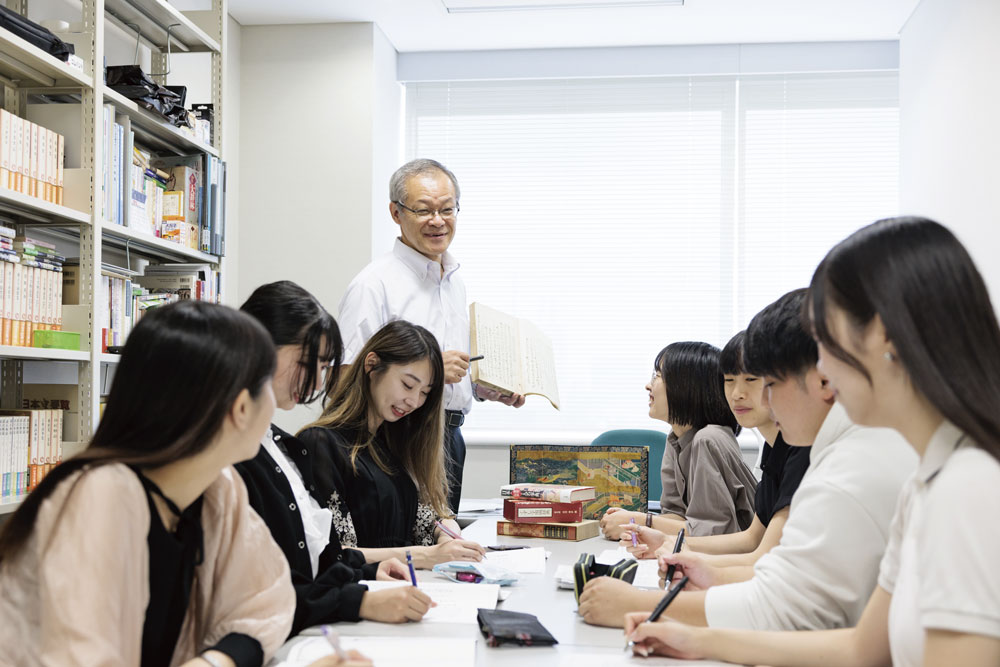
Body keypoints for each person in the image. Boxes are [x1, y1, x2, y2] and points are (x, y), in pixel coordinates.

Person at [623, 217, 1000, 666]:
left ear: (883, 336)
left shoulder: (965, 488)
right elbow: (862, 647)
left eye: (825, 339)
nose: (822, 367)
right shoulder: (928, 477)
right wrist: (693, 640)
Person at [578, 289, 916, 630]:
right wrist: (693, 565)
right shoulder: (817, 444)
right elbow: (775, 571)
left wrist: (648, 605)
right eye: (731, 382)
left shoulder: (836, 468)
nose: (745, 397)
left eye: (764, 383)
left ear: (826, 378)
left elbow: (781, 598)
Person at [0, 301, 295, 666]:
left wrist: (218, 660)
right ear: (240, 408)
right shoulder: (102, 495)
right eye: (267, 384)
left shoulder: (218, 487)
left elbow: (266, 598)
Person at [235, 281, 433, 635]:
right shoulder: (243, 450)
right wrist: (361, 598)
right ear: (257, 344)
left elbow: (316, 555)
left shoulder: (278, 444)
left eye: (325, 367)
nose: (315, 380)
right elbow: (261, 586)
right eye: (308, 362)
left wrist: (369, 573)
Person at [337, 158, 525, 513]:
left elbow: (452, 371)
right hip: (397, 438)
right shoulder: (373, 285)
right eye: (424, 210)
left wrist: (480, 387)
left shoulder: (453, 280)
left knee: (444, 548)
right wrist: (431, 368)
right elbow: (346, 378)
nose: (438, 221)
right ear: (396, 212)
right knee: (407, 550)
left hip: (451, 436)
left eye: (448, 209)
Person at [298, 319, 486, 569]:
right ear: (372, 365)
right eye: (407, 385)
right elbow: (336, 554)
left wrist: (445, 532)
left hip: (411, 586)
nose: (413, 401)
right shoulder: (321, 444)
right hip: (365, 594)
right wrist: (426, 556)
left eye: (424, 392)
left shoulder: (398, 442)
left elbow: (428, 520)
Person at [620, 331, 811, 567]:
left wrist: (648, 524)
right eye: (729, 381)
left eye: (750, 380)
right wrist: (665, 543)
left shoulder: (710, 439)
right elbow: (751, 540)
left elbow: (747, 549)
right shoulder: (677, 439)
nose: (735, 394)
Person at [600, 341, 757, 540]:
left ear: (685, 386)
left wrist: (637, 522)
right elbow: (676, 516)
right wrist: (633, 522)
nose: (648, 385)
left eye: (657, 376)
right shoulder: (676, 439)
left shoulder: (708, 440)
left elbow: (710, 532)